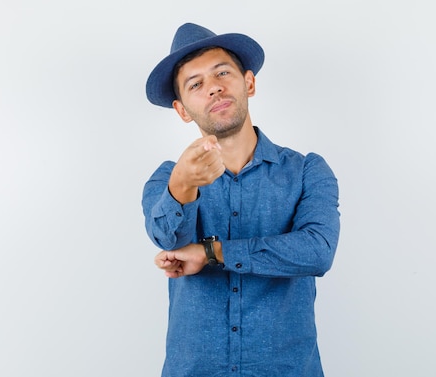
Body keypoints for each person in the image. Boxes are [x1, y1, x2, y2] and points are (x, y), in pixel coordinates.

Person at [141, 23, 340, 377]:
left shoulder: (308, 170)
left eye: (222, 73)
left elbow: (317, 250)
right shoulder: (166, 179)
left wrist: (212, 252)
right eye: (196, 84)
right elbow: (170, 240)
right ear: (182, 109)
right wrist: (184, 185)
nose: (214, 87)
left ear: (248, 83)